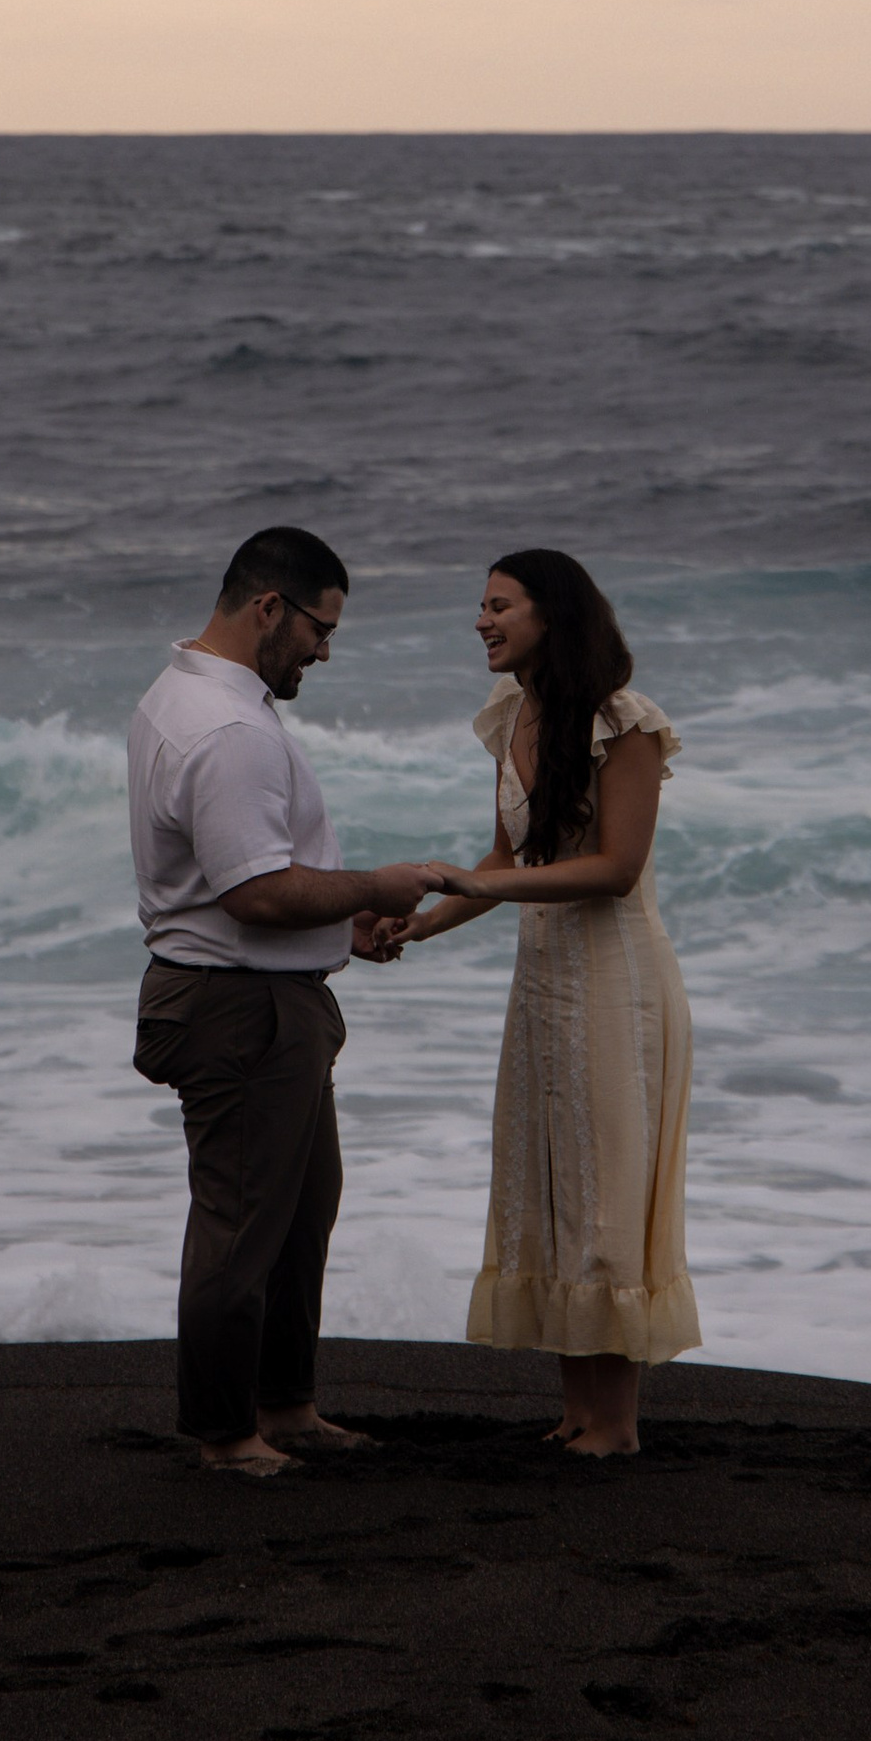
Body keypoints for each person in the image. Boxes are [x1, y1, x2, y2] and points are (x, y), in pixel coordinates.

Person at [127, 526, 438, 1479]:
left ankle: (287, 1405)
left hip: (257, 995)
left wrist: (334, 931)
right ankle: (226, 1434)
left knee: (302, 1209)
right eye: (320, 628)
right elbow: (253, 893)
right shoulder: (226, 728)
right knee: (242, 1222)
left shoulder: (192, 700)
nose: (325, 651)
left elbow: (235, 882)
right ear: (270, 607)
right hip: (240, 1010)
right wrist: (378, 887)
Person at [409, 549, 700, 1454]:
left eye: (499, 605)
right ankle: (576, 1410)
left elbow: (615, 870)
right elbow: (504, 860)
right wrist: (417, 925)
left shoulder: (626, 722)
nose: (481, 621)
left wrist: (484, 890)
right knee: (551, 1185)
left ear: (551, 616)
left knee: (606, 1193)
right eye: (481, 606)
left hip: (617, 984)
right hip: (542, 983)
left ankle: (614, 1425)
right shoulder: (515, 718)